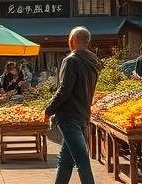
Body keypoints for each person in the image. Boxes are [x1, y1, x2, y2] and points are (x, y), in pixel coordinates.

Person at [44, 27, 101, 184]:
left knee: (81, 160)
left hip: (69, 116)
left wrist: (48, 109)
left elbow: (64, 89)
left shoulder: (71, 60)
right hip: (83, 114)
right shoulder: (93, 61)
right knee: (65, 160)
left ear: (73, 40)